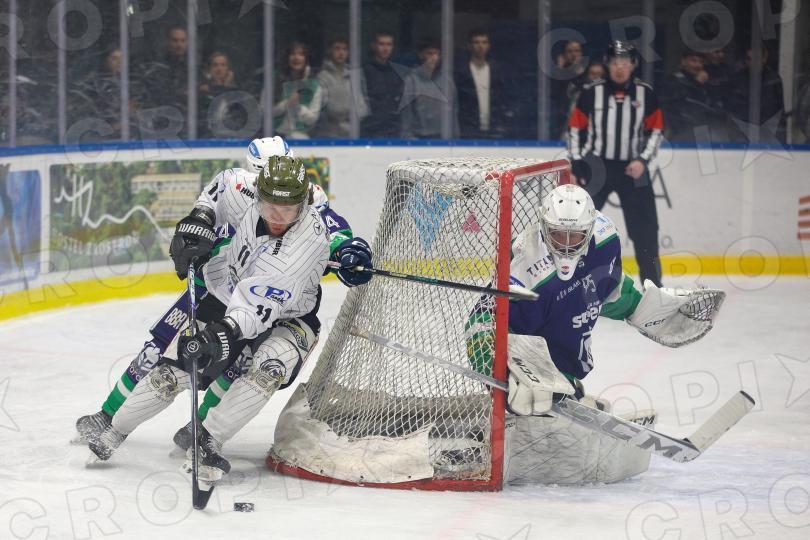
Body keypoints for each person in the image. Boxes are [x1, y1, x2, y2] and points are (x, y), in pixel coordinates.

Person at [75, 138, 373, 479]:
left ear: (304, 202)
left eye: (289, 209)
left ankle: (207, 438)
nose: (278, 218)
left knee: (265, 368)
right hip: (225, 287)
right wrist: (199, 220)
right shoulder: (241, 187)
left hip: (285, 311)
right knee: (175, 366)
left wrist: (348, 248)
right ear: (257, 190)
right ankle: (114, 426)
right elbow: (218, 190)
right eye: (270, 206)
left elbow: (261, 303)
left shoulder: (304, 243)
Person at [466, 184, 723, 411]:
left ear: (589, 230)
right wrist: (501, 372)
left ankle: (564, 387)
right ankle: (537, 398)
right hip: (523, 356)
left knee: (559, 382)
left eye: (575, 235)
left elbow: (604, 288)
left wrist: (642, 308)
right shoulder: (524, 264)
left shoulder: (604, 240)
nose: (567, 244)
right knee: (528, 400)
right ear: (544, 228)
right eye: (558, 234)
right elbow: (480, 320)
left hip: (565, 359)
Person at [567, 40, 664, 287]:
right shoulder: (591, 92)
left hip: (633, 169)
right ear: (607, 64)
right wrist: (577, 161)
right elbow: (575, 128)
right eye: (614, 62)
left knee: (646, 230)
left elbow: (656, 130)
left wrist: (643, 159)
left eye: (625, 62)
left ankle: (653, 287)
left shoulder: (646, 94)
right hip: (597, 167)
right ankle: (567, 283)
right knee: (576, 225)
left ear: (633, 65)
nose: (619, 68)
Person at [661, 50, 725, 143]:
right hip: (680, 131)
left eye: (701, 62)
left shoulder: (706, 82)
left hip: (703, 130)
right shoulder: (673, 80)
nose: (698, 65)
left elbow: (713, 105)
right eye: (693, 61)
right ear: (683, 61)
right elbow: (682, 105)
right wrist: (697, 83)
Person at [400, 40, 458, 139]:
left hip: (444, 138)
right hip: (419, 138)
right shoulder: (411, 80)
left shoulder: (447, 81)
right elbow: (406, 114)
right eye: (429, 53)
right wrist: (408, 138)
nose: (433, 57)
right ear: (421, 55)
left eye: (436, 53)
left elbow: (454, 112)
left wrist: (455, 138)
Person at [455, 28, 506, 139]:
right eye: (476, 42)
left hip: (493, 129)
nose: (480, 46)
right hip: (469, 129)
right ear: (469, 46)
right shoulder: (461, 72)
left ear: (489, 46)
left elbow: (501, 99)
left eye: (484, 42)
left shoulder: (497, 71)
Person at [315, 37, 369, 138]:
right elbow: (329, 109)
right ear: (330, 50)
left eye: (344, 49)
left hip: (352, 133)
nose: (341, 53)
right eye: (337, 48)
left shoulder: (353, 76)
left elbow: (362, 108)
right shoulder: (322, 76)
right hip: (329, 134)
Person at [271, 42, 323, 139]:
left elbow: (313, 118)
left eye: (301, 54)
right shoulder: (274, 81)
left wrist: (298, 107)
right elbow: (265, 111)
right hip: (274, 137)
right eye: (293, 54)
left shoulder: (314, 86)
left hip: (301, 138)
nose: (296, 58)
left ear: (306, 59)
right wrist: (286, 104)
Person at [361, 31, 404, 138]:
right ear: (373, 46)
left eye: (389, 44)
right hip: (370, 131)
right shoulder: (365, 71)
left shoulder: (396, 72)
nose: (385, 48)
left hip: (393, 131)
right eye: (381, 44)